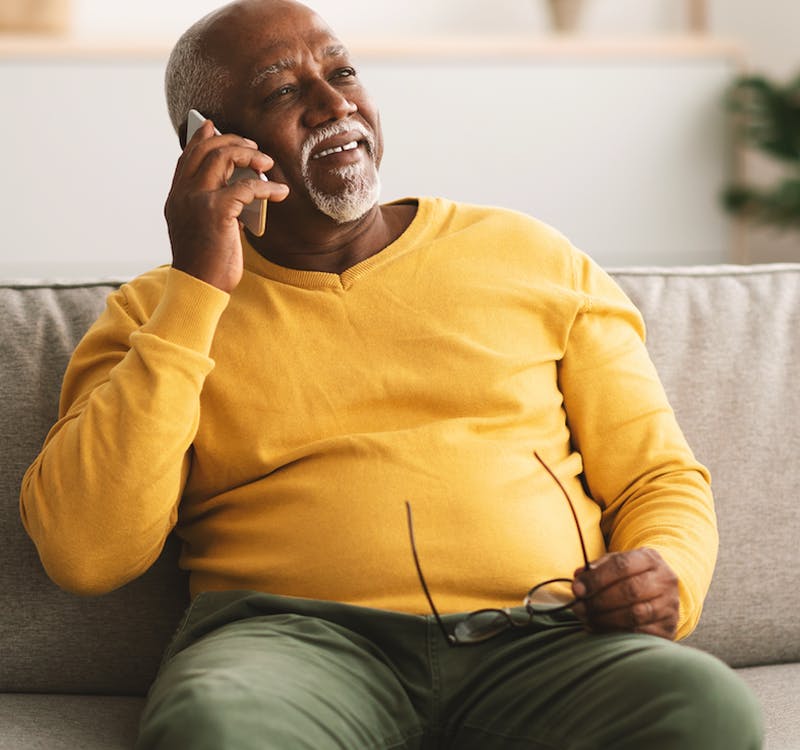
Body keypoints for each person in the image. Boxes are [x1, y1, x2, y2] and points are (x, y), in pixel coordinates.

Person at [20, 1, 763, 748]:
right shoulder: (158, 312)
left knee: (702, 706)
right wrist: (199, 288)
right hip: (291, 654)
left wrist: (668, 574)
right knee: (213, 731)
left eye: (342, 72)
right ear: (209, 145)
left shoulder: (531, 255)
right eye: (284, 91)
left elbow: (656, 479)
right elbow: (87, 554)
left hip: (546, 637)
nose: (334, 103)